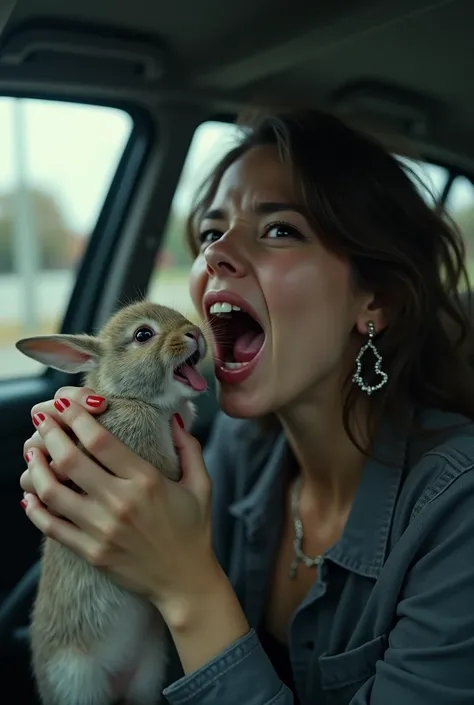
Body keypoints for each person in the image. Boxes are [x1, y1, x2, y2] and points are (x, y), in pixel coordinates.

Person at [19, 110, 474, 705]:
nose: (216, 257)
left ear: (375, 300)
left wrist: (186, 586)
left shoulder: (457, 510)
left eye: (280, 229)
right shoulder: (237, 451)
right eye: (211, 233)